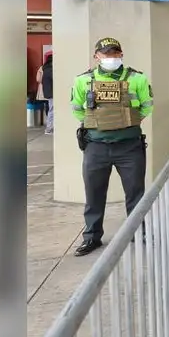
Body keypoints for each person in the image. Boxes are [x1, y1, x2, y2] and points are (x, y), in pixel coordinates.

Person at [70, 38, 153, 257]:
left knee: (135, 193)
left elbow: (147, 106)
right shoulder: (83, 81)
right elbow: (77, 109)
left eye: (115, 54)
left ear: (121, 54)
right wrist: (99, 125)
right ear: (96, 56)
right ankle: (92, 237)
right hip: (96, 146)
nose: (110, 58)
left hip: (129, 146)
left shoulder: (138, 78)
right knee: (94, 195)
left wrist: (126, 122)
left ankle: (138, 232)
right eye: (106, 54)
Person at [37, 52, 54, 134]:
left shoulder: (45, 68)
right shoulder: (51, 69)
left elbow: (39, 80)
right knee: (52, 110)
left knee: (51, 109)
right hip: (52, 92)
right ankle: (49, 129)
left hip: (47, 91)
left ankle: (49, 128)